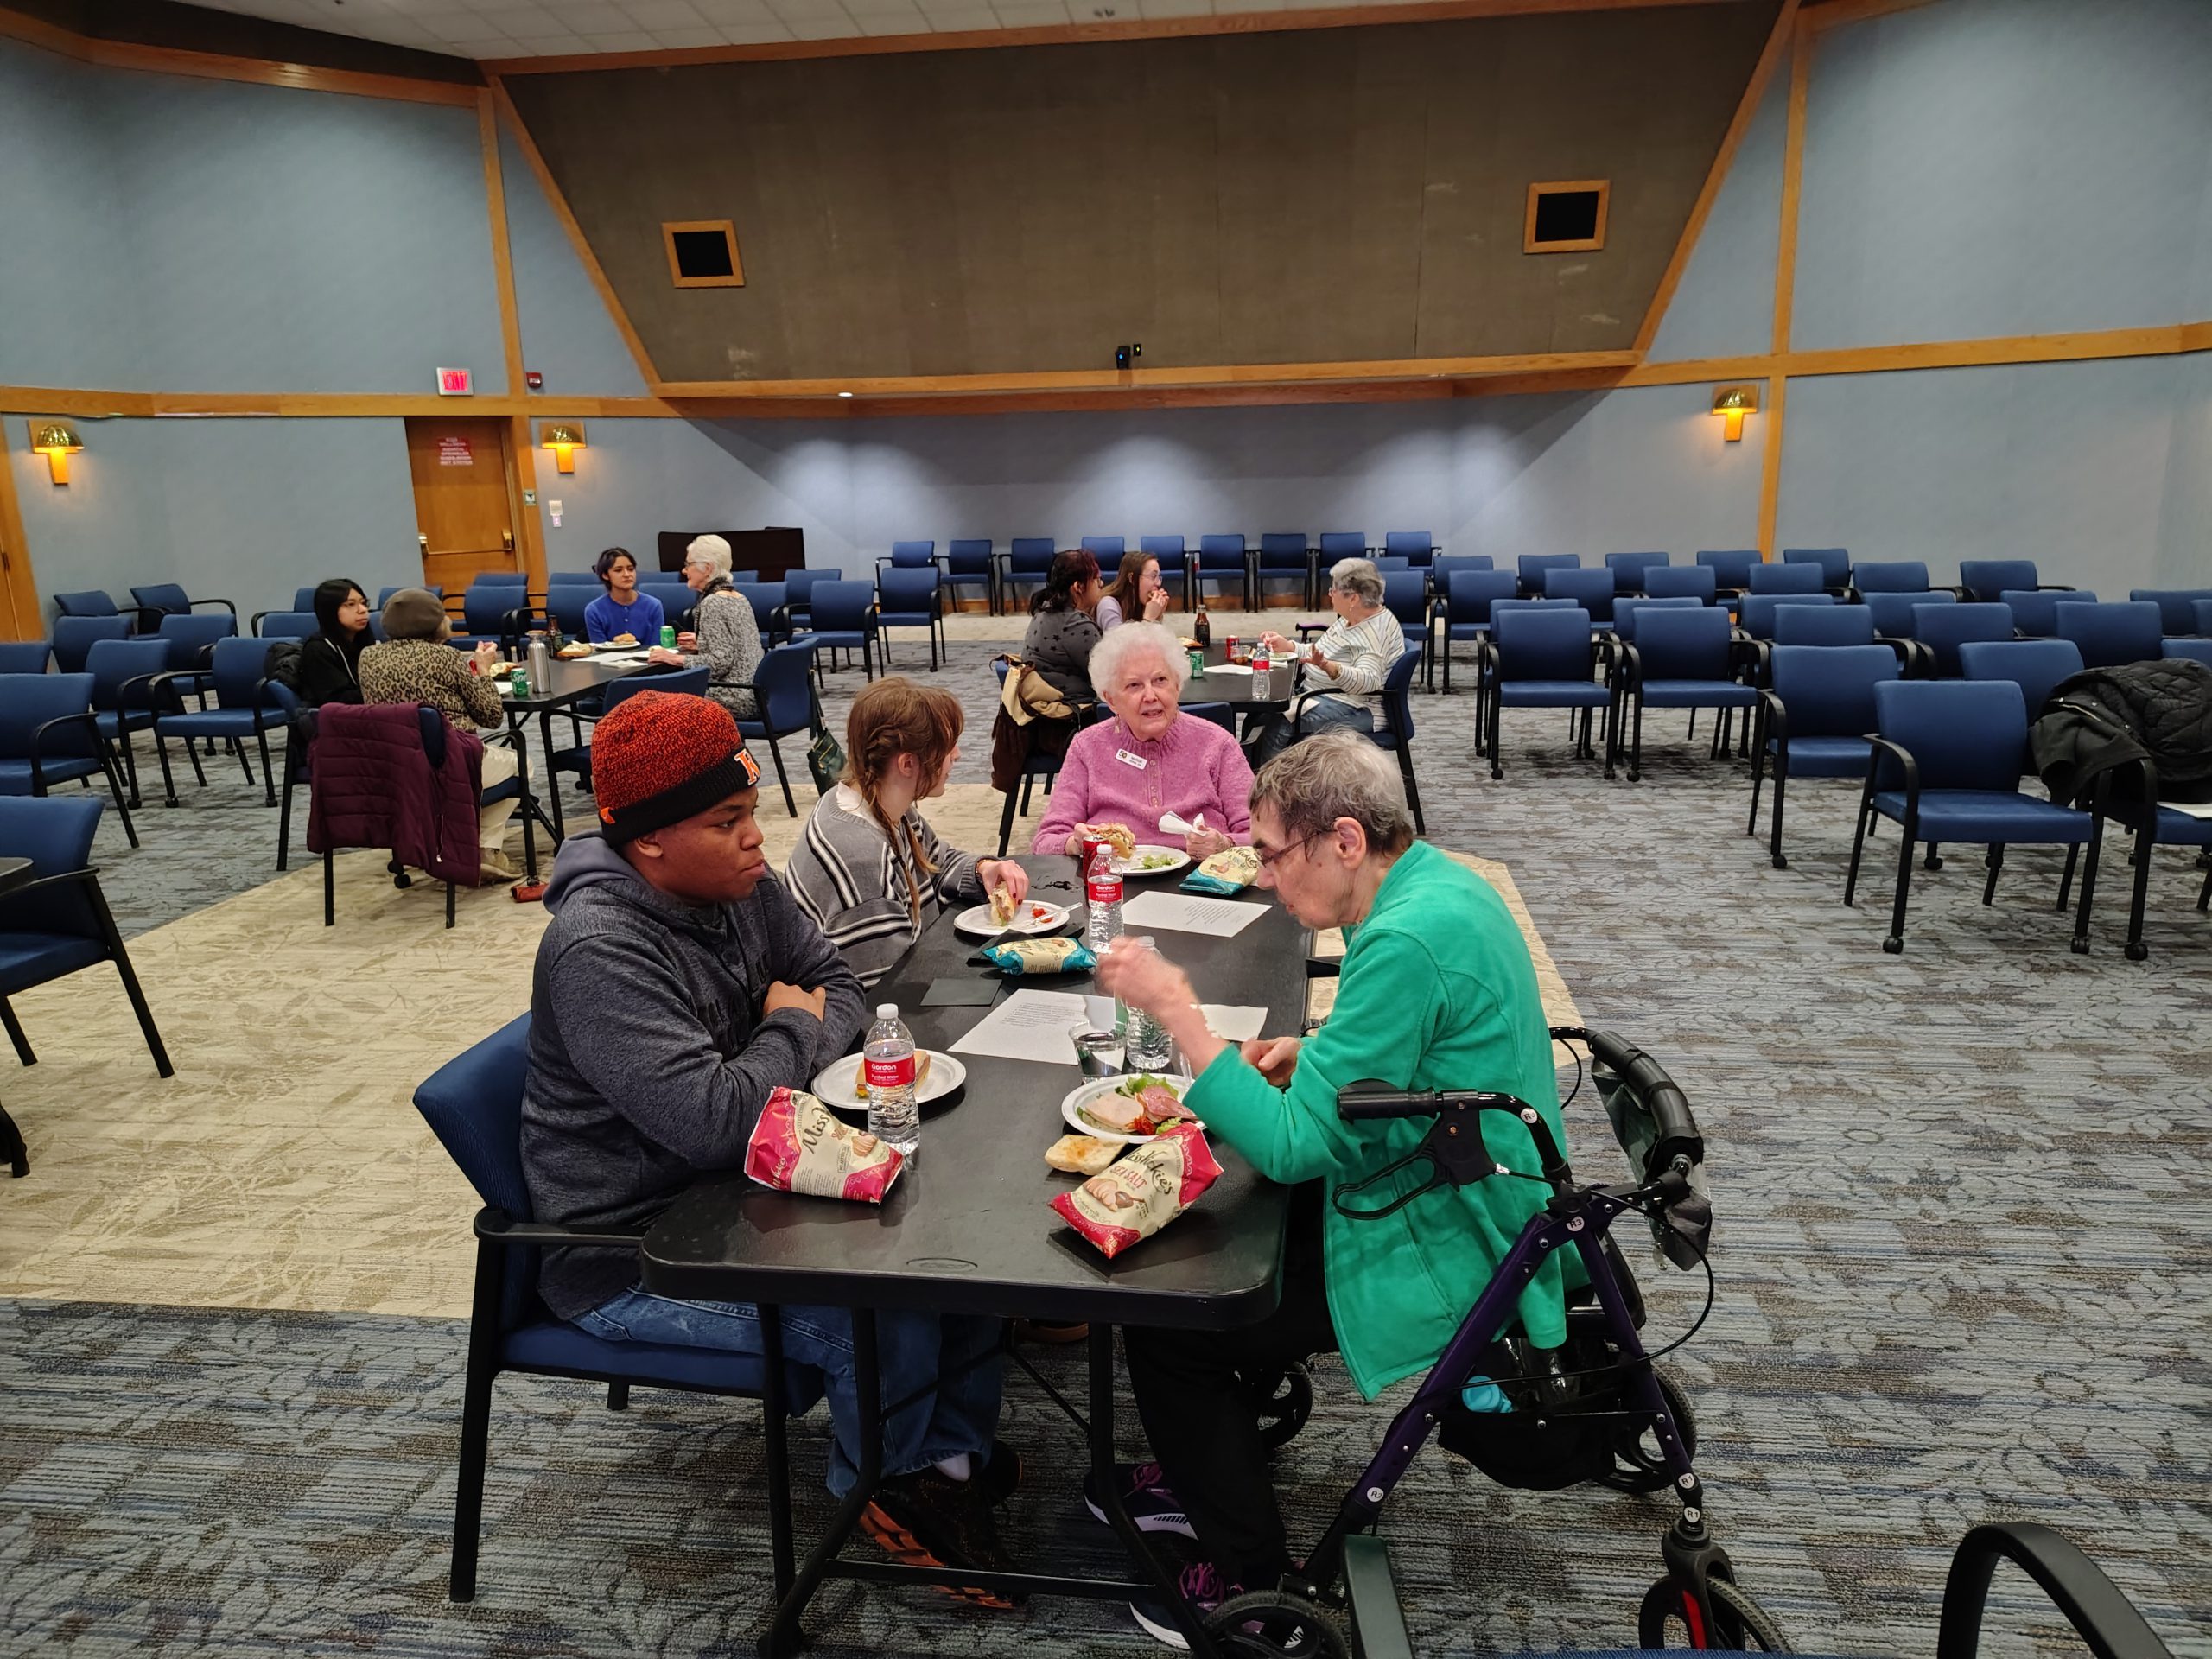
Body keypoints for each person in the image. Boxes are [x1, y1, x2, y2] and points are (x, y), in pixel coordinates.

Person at [519, 690, 1020, 1595]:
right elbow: (715, 1122)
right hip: (640, 1248)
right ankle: (889, 1489)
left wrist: (782, 1035)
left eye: (750, 812)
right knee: (888, 1305)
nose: (758, 837)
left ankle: (945, 1461)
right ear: (649, 843)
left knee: (960, 1249)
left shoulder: (744, 887)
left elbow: (848, 991)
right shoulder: (599, 950)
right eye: (728, 820)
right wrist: (787, 1031)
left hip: (750, 1182)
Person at [1090, 734, 1571, 1645]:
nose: (1267, 879)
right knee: (1216, 1227)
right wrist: (1315, 1054)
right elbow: (1437, 1048)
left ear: (1344, 840)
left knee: (1169, 1315)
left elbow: (1290, 1146)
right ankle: (1208, 1461)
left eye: (1272, 854)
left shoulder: (1403, 939)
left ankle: (1250, 1576)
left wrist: (1177, 1014)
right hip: (1457, 1170)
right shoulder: (1436, 883)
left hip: (1455, 1230)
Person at [785, 677, 1032, 988]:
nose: (957, 755)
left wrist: (984, 868)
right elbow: (886, 997)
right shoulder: (862, 860)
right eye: (947, 747)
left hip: (910, 979)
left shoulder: (872, 799)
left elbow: (935, 861)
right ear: (907, 763)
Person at [1031, 620, 1249, 861]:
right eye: (1134, 685)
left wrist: (1225, 844)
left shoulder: (1218, 744)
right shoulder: (1087, 747)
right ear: (1111, 700)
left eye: (1160, 680)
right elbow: (1046, 841)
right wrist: (1076, 844)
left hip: (1201, 880)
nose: (1150, 696)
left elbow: (1262, 836)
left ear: (1177, 686)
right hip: (1113, 884)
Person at [357, 587, 521, 880]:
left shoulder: (367, 658)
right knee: (518, 762)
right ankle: (484, 849)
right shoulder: (446, 657)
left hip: (395, 769)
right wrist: (483, 669)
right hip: (449, 765)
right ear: (435, 621)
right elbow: (491, 715)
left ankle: (448, 840)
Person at [1247, 557, 1406, 765]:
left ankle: (1269, 792)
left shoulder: (1374, 632)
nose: (1329, 595)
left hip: (1356, 708)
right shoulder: (1351, 619)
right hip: (1324, 697)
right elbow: (1320, 653)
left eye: (1333, 590)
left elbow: (1369, 681)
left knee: (1278, 723)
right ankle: (1255, 783)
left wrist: (1329, 667)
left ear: (1353, 599)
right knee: (1258, 715)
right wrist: (1290, 646)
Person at [648, 533, 760, 717]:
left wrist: (675, 659)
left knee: (657, 702)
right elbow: (738, 648)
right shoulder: (739, 598)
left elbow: (719, 663)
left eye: (688, 565)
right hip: (753, 692)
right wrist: (704, 642)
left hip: (732, 695)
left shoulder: (713, 603)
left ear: (707, 568)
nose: (684, 571)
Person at [1019, 549, 1105, 700]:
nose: (1102, 584)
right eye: (1097, 579)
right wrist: (1147, 620)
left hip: (1047, 706)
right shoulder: (1075, 624)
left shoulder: (1044, 610)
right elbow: (1111, 673)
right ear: (1079, 587)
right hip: (1074, 710)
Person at [297, 577, 371, 706]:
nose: (362, 610)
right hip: (336, 719)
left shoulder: (365, 641)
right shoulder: (317, 649)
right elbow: (336, 698)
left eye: (363, 603)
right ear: (330, 611)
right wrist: (382, 691)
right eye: (351, 604)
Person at [582, 546, 666, 645]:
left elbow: (657, 646)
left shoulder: (654, 605)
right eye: (618, 570)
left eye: (631, 569)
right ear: (605, 575)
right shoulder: (594, 610)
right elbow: (600, 650)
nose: (627, 574)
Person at [1096, 550, 1172, 630]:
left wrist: (1157, 618)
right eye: (1153, 576)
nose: (1158, 583)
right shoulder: (1108, 604)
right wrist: (1148, 619)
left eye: (1158, 576)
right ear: (1132, 579)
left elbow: (1152, 641)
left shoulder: (1140, 603)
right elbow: (1119, 641)